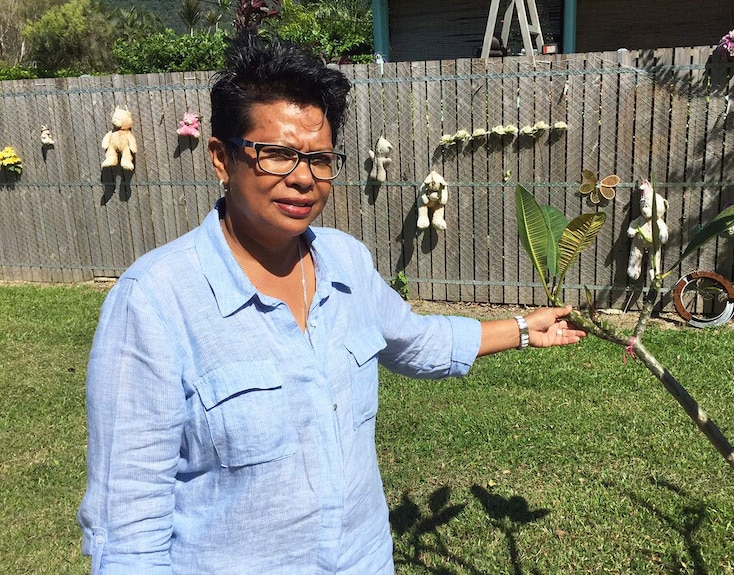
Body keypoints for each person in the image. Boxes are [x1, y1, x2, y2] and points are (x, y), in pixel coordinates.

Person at [77, 31, 587, 575]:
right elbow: (128, 530)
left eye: (320, 159)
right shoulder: (154, 303)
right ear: (222, 159)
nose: (302, 178)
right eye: (275, 154)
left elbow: (414, 340)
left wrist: (524, 328)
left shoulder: (346, 263)